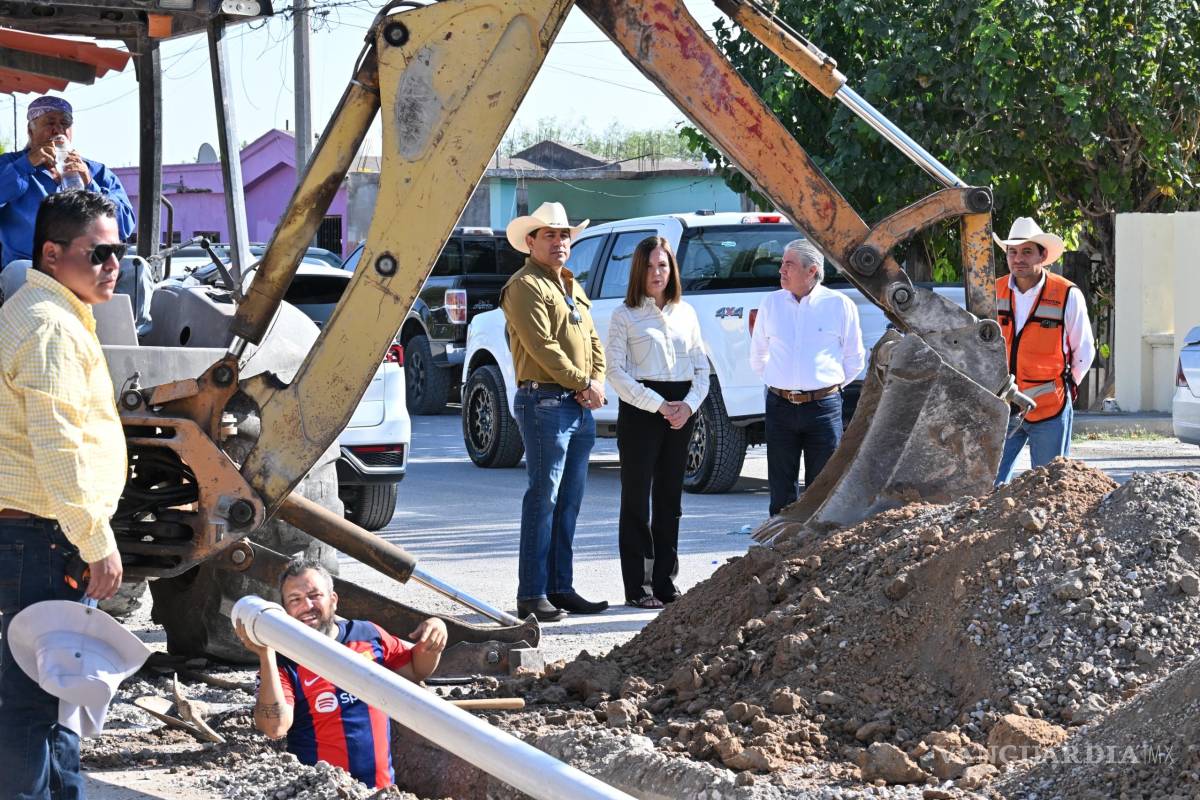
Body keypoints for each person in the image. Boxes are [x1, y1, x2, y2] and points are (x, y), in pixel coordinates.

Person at [0, 190, 128, 799]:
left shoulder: (53, 314)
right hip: (40, 540)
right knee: (31, 704)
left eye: (119, 252)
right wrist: (94, 539)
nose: (113, 266)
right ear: (52, 254)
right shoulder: (50, 326)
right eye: (98, 253)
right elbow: (58, 448)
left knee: (55, 700)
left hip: (42, 539)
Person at [235, 559, 448, 790]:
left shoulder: (367, 635)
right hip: (322, 793)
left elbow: (416, 670)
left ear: (334, 600)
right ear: (286, 610)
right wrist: (266, 653)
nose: (307, 606)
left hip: (382, 792)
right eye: (295, 600)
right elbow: (275, 728)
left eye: (315, 595)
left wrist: (436, 634)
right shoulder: (283, 663)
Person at [500, 201, 609, 622]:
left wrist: (593, 382)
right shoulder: (523, 285)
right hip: (544, 401)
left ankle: (560, 588)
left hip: (574, 404)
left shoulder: (569, 283)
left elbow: (593, 341)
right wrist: (584, 384)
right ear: (530, 242)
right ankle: (532, 594)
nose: (560, 242)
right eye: (550, 234)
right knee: (543, 498)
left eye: (564, 234)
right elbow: (541, 347)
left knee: (569, 502)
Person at [606, 237, 708, 609]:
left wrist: (688, 406)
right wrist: (659, 405)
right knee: (636, 499)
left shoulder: (687, 313)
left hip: (681, 413)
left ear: (672, 269)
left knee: (670, 499)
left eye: (662, 265)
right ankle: (638, 586)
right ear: (638, 270)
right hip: (641, 412)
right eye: (649, 266)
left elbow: (702, 369)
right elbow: (615, 372)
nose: (656, 273)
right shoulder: (625, 315)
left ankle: (665, 581)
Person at [750, 238, 865, 517]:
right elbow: (758, 355)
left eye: (788, 265)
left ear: (811, 270)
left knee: (823, 486)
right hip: (780, 406)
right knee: (780, 488)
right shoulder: (771, 304)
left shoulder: (839, 305)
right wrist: (781, 382)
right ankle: (778, 549)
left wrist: (824, 388)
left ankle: (817, 551)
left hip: (823, 409)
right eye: (781, 265)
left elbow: (854, 359)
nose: (781, 271)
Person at [993, 217, 1095, 484]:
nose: (1018, 259)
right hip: (1002, 406)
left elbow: (1083, 350)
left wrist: (1069, 384)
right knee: (988, 486)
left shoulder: (1066, 294)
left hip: (1050, 405)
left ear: (1043, 255)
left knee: (1049, 486)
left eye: (1027, 251)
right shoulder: (994, 291)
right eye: (1012, 252)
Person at [0, 97, 135, 269]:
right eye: (50, 123)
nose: (58, 130)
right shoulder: (9, 164)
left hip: (88, 264)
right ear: (30, 130)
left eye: (65, 123)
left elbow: (125, 225)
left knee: (137, 268)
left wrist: (90, 184)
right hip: (31, 265)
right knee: (18, 270)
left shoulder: (96, 171)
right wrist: (27, 163)